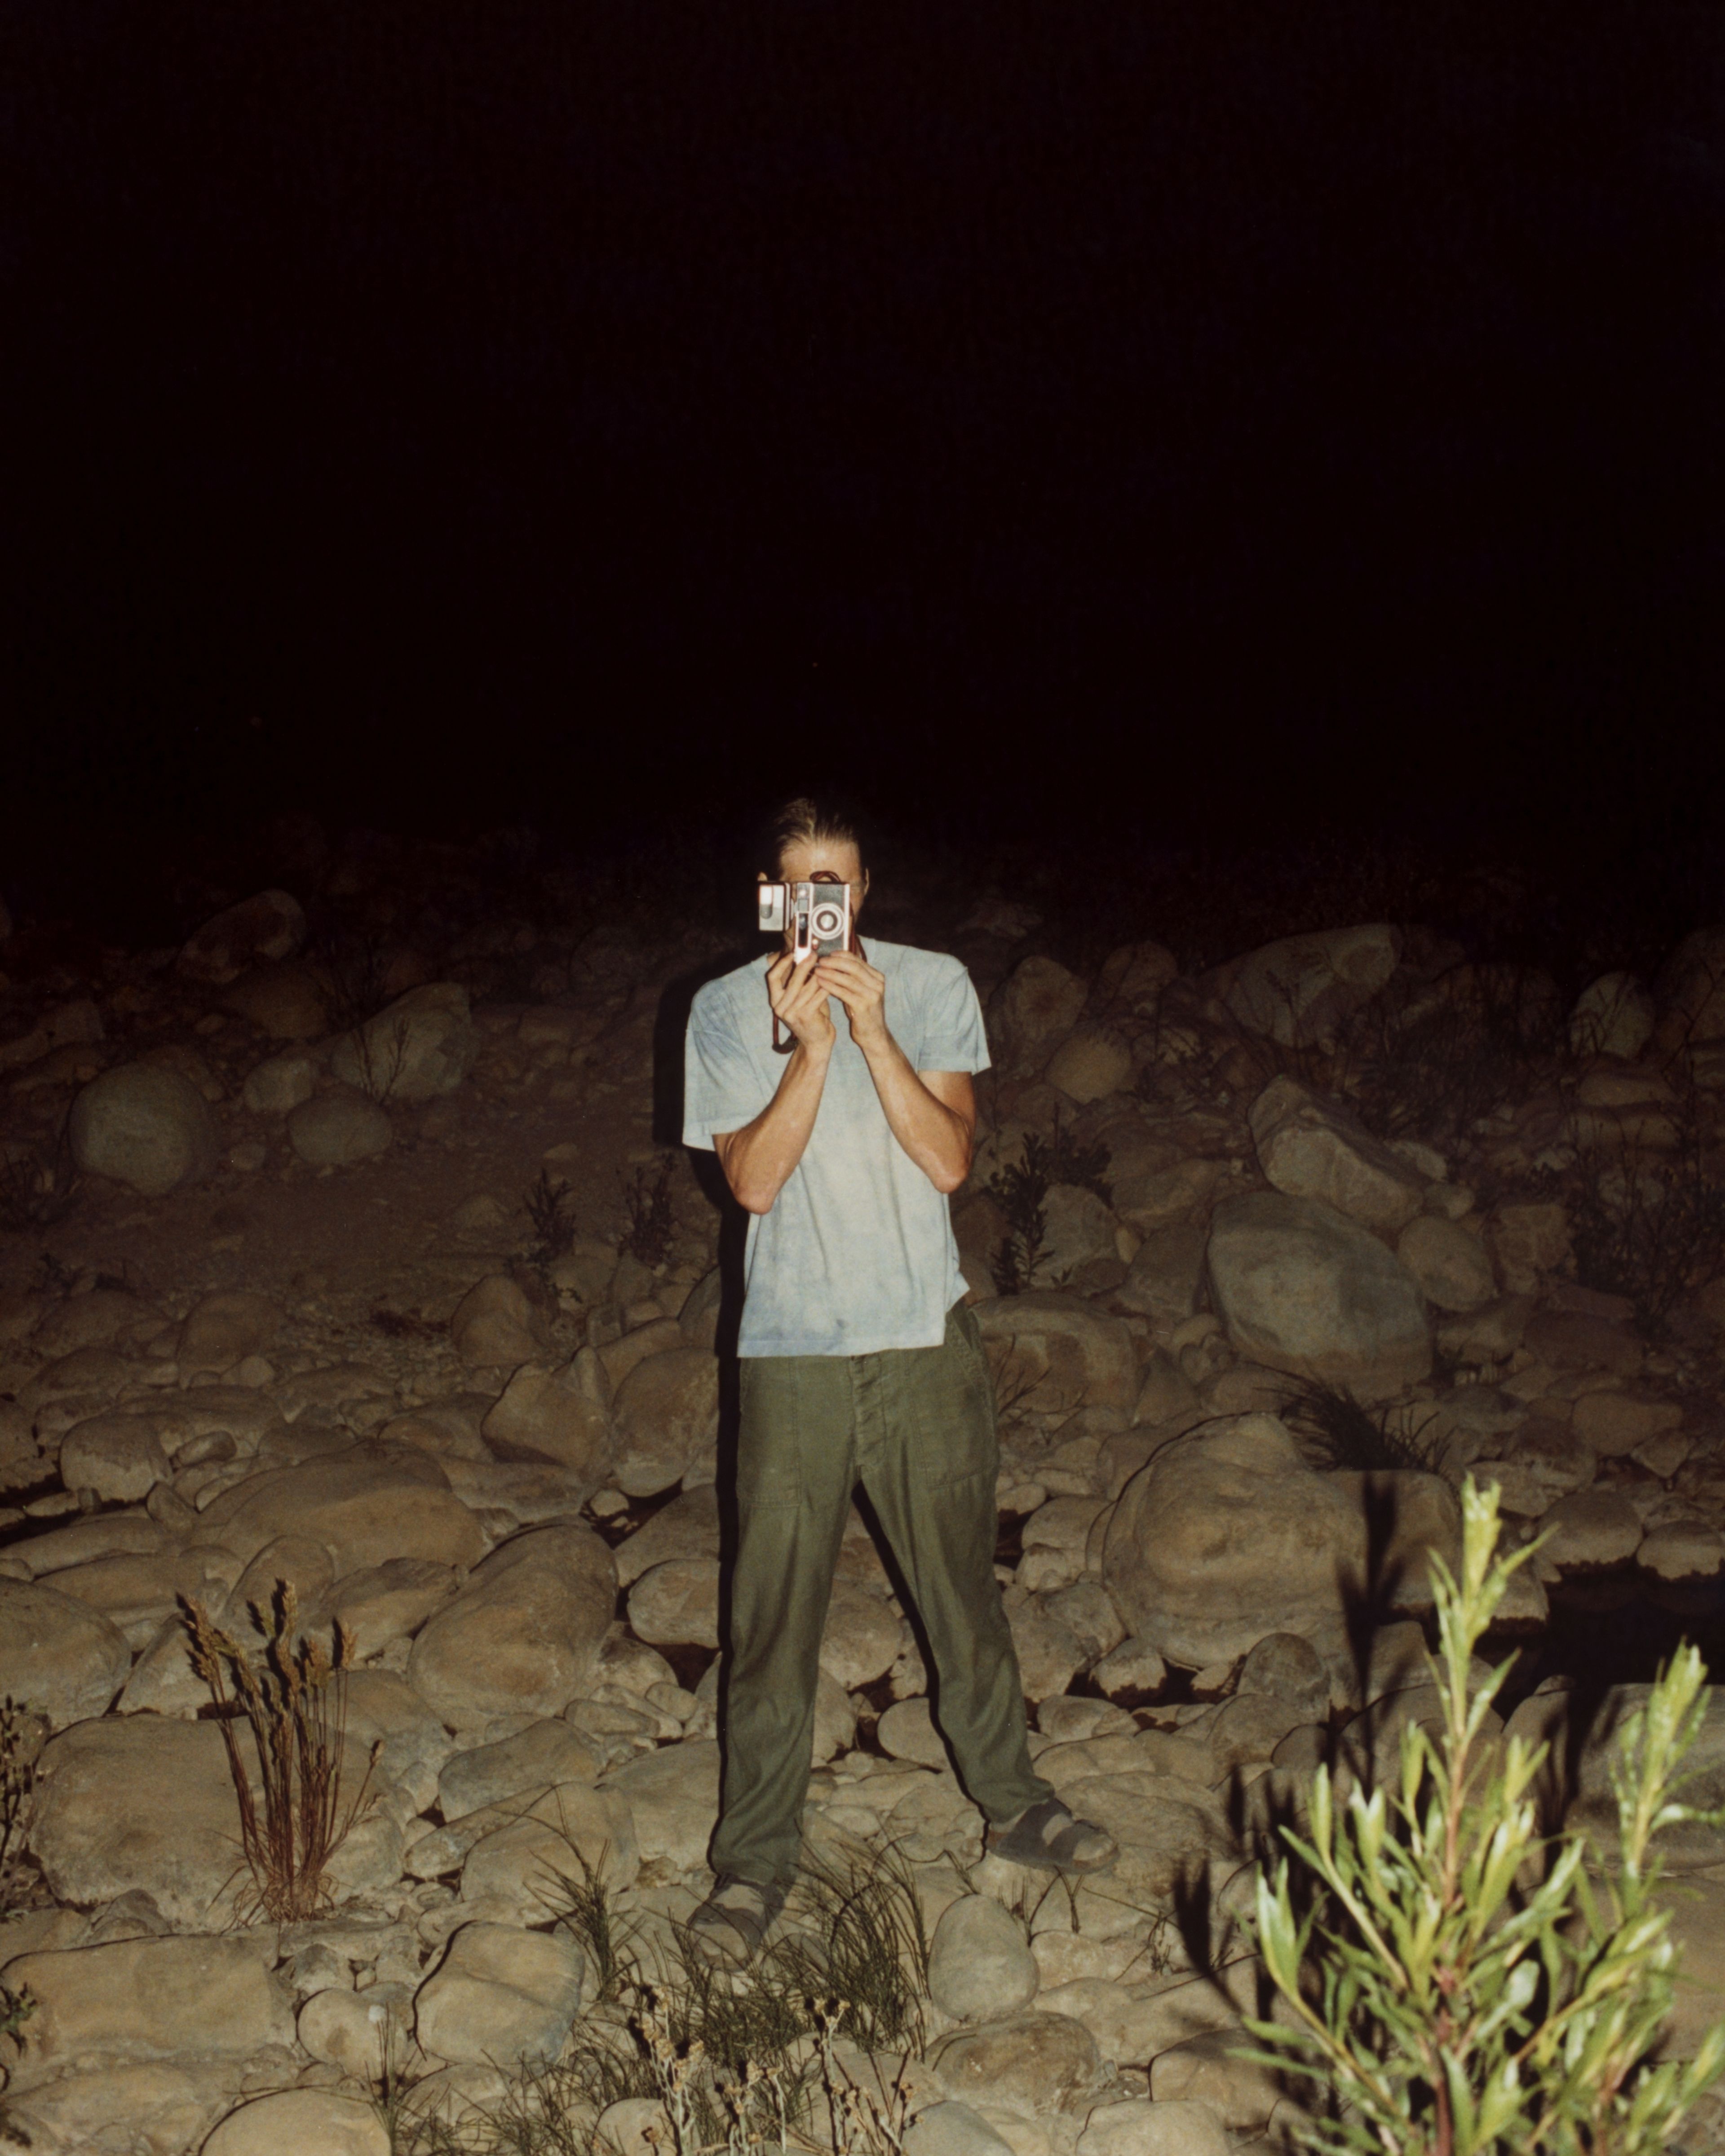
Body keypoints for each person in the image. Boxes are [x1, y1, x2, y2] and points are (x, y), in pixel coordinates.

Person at [680, 796, 1115, 1965]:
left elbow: (950, 1161)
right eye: (801, 888)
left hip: (923, 1340)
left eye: (844, 884)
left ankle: (1015, 1806)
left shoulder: (930, 987)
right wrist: (811, 1050)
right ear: (774, 900)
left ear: (864, 891)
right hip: (790, 1353)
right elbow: (755, 1187)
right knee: (772, 1618)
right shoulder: (726, 1011)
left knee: (960, 1593)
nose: (824, 908)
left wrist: (872, 1036)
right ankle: (753, 1865)